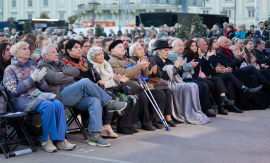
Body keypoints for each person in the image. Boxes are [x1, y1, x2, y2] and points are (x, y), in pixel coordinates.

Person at [38, 43, 127, 146]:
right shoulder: (42, 65)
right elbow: (55, 78)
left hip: (74, 94)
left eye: (56, 52)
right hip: (61, 96)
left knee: (95, 101)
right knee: (84, 81)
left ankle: (95, 136)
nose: (56, 54)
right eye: (52, 52)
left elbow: (76, 72)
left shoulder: (60, 64)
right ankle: (109, 103)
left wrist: (63, 73)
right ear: (45, 56)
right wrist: (67, 75)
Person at [4, 42, 76, 152]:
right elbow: (13, 91)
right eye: (24, 49)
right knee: (48, 105)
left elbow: (44, 88)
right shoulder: (10, 69)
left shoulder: (32, 67)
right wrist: (31, 80)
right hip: (20, 100)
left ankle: (61, 140)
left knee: (57, 104)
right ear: (16, 53)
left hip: (36, 96)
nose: (28, 50)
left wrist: (40, 80)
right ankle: (46, 141)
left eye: (28, 48)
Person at [108, 40, 166, 131]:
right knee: (142, 97)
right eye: (119, 47)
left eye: (123, 47)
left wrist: (145, 66)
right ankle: (146, 123)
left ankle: (156, 121)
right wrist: (138, 66)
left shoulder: (129, 59)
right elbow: (123, 73)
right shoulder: (112, 62)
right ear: (112, 50)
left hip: (141, 85)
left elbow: (145, 75)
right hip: (130, 86)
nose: (123, 48)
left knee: (160, 94)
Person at [152, 39, 210, 124]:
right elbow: (163, 76)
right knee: (188, 87)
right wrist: (176, 66)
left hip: (173, 82)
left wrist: (179, 67)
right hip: (163, 84)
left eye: (168, 50)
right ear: (158, 51)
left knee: (192, 86)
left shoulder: (167, 60)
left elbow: (177, 74)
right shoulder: (154, 60)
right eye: (165, 50)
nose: (167, 52)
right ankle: (178, 114)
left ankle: (190, 112)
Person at [88, 46, 140, 134]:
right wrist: (114, 81)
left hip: (113, 87)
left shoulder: (106, 64)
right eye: (98, 54)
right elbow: (100, 84)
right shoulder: (93, 67)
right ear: (92, 58)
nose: (101, 55)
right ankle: (118, 125)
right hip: (102, 90)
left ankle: (127, 124)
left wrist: (119, 80)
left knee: (131, 95)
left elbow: (113, 78)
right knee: (113, 97)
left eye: (102, 53)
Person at [209, 36, 270, 109]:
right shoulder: (220, 53)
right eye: (226, 42)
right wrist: (237, 59)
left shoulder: (227, 52)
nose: (228, 43)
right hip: (229, 73)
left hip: (233, 70)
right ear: (220, 43)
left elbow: (234, 65)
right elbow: (228, 65)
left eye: (228, 42)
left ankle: (260, 96)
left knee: (254, 76)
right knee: (252, 68)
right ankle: (266, 85)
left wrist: (240, 58)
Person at [129, 43, 177, 126]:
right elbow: (140, 75)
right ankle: (154, 119)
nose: (142, 50)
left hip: (151, 82)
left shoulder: (148, 59)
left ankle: (165, 117)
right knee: (159, 93)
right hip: (144, 84)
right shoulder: (131, 61)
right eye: (139, 49)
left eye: (142, 48)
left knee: (167, 91)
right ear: (133, 53)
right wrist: (149, 72)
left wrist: (155, 72)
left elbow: (159, 75)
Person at [182, 40, 230, 116]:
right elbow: (195, 69)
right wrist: (200, 58)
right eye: (192, 46)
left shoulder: (197, 55)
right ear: (188, 47)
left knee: (217, 79)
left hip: (203, 76)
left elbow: (205, 68)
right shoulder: (186, 57)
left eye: (195, 45)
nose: (195, 47)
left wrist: (207, 57)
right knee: (210, 85)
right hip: (194, 77)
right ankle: (206, 109)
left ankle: (222, 102)